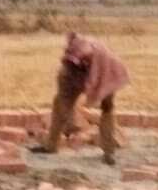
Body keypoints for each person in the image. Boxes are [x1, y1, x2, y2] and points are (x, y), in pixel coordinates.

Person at [31, 32, 130, 165]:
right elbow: (63, 103)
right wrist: (71, 123)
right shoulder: (70, 66)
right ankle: (51, 145)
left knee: (107, 107)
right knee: (60, 104)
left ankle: (108, 152)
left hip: (102, 72)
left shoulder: (108, 67)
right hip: (73, 78)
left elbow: (106, 106)